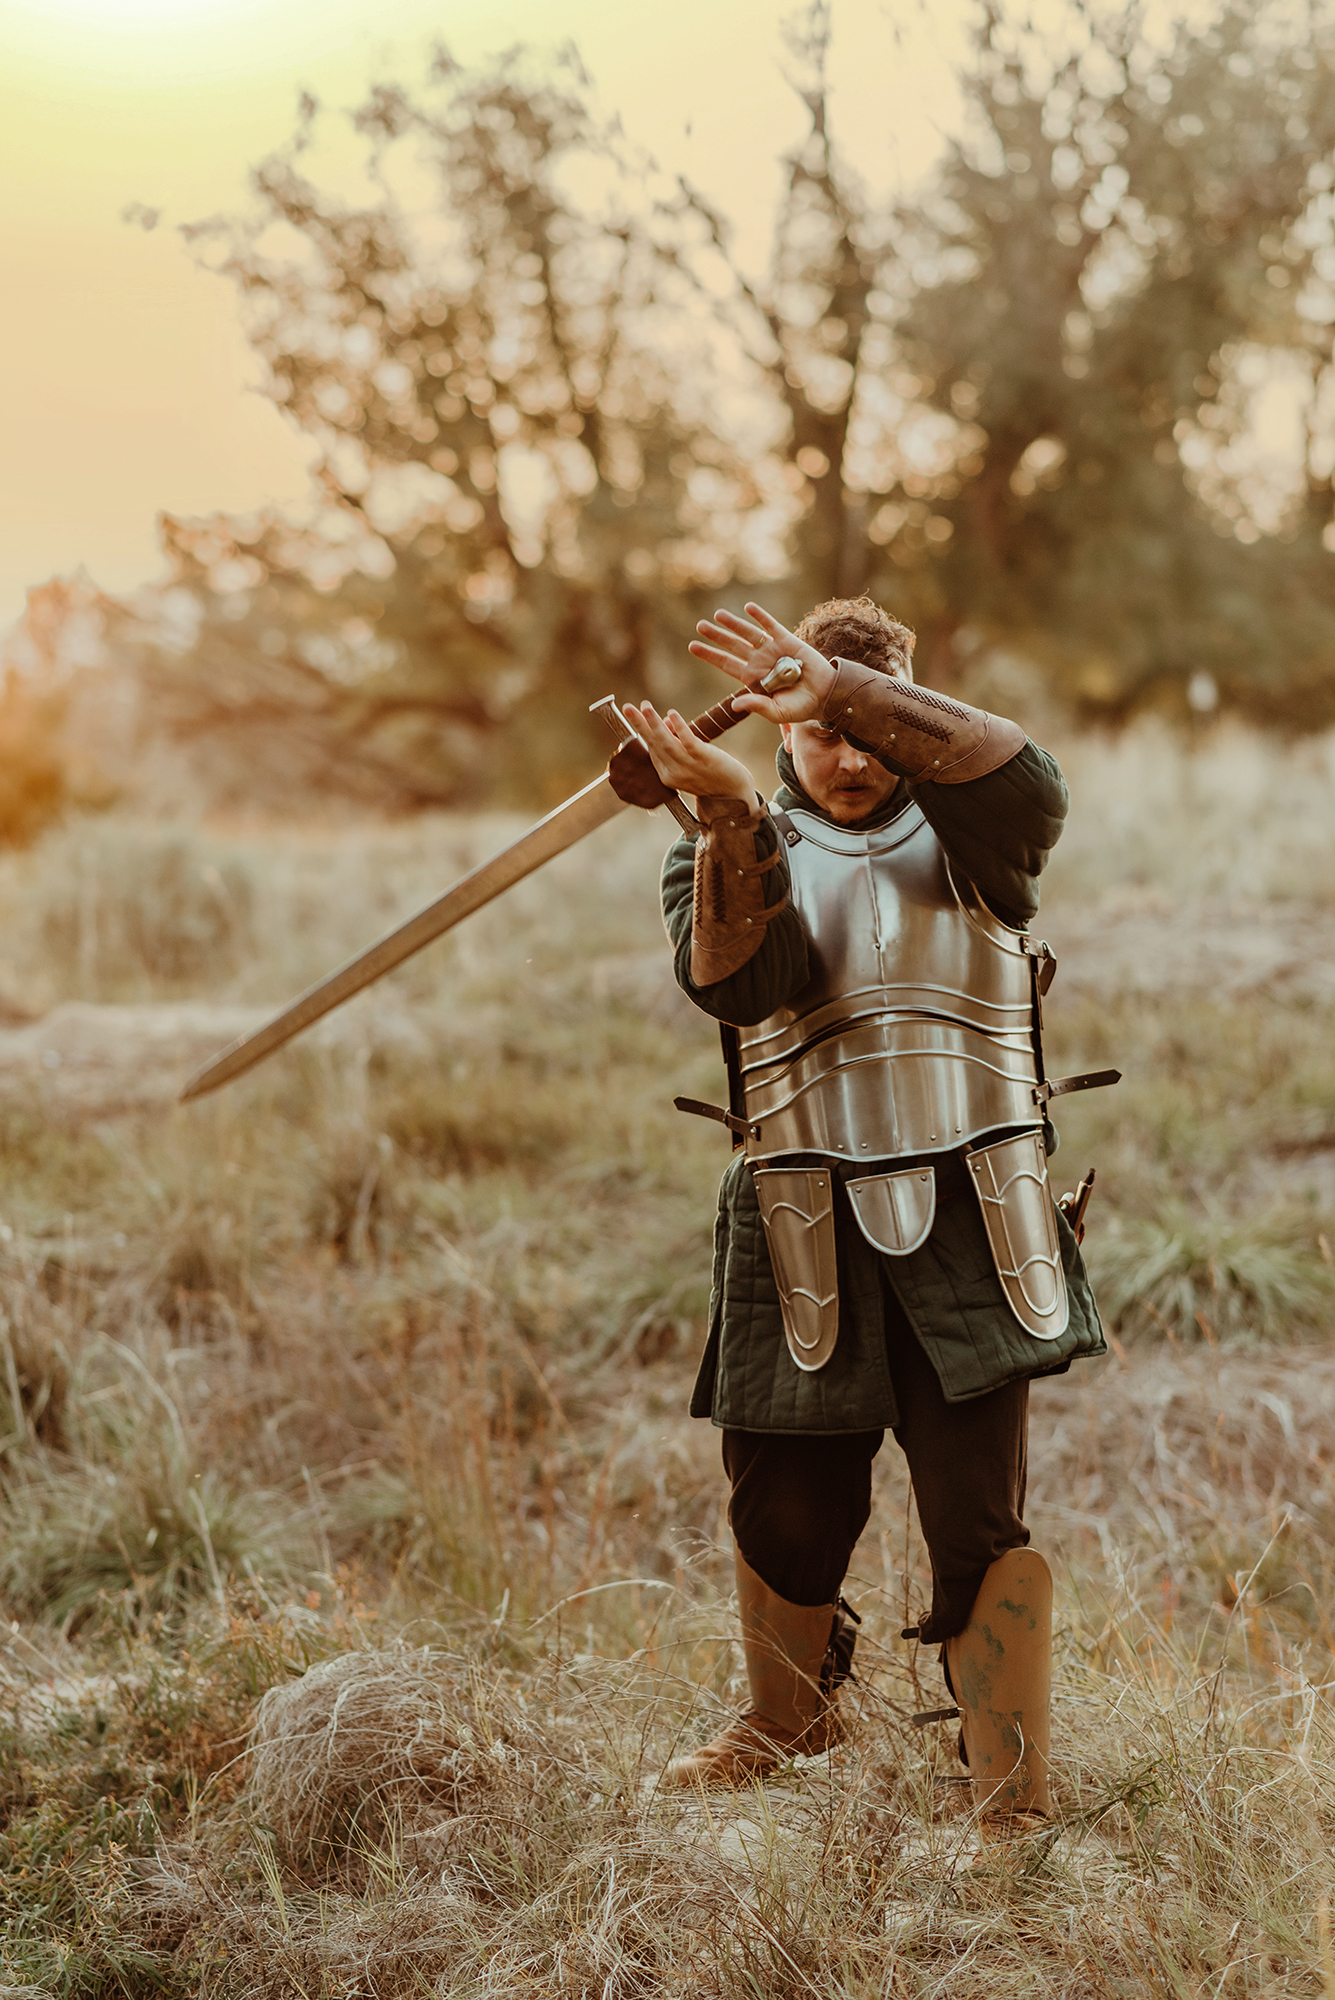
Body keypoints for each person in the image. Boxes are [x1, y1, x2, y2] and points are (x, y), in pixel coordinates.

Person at [612, 595, 1110, 1818]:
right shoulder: (715, 843)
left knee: (975, 1514)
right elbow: (742, 987)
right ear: (776, 737)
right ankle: (789, 1717)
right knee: (782, 1498)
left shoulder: (980, 829)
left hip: (970, 1210)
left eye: (864, 730)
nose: (846, 760)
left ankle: (1008, 1782)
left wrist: (833, 685)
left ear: (895, 713)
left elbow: (1034, 783)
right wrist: (729, 811)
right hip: (798, 1215)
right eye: (819, 737)